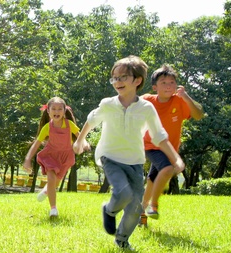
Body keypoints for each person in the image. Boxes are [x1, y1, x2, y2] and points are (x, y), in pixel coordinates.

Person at [73, 56, 185, 249]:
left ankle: (122, 239)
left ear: (137, 80)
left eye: (123, 77)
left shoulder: (146, 107)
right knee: (122, 192)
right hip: (110, 156)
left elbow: (159, 136)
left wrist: (175, 157)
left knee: (135, 207)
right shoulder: (108, 103)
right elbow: (91, 120)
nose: (117, 82)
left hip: (134, 161)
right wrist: (79, 141)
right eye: (114, 78)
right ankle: (109, 210)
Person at [139, 65, 204, 227]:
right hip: (151, 145)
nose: (168, 85)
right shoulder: (147, 100)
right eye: (163, 82)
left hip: (170, 148)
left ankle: (140, 214)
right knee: (167, 169)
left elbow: (198, 115)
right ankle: (154, 206)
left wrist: (187, 97)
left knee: (153, 180)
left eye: (172, 82)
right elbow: (129, 106)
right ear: (155, 87)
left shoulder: (179, 101)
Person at [23, 97, 87, 218]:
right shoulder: (47, 127)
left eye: (59, 109)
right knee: (51, 179)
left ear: (64, 111)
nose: (56, 112)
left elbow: (80, 136)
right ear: (48, 111)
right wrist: (27, 159)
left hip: (65, 157)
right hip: (50, 156)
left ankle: (48, 190)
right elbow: (36, 144)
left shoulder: (70, 125)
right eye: (54, 109)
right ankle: (53, 209)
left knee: (56, 182)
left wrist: (84, 144)